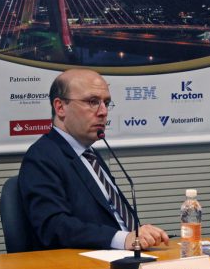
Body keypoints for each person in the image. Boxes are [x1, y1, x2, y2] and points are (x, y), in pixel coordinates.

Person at [18, 68, 170, 251]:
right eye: (92, 102)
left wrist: (142, 235)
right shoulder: (42, 157)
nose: (103, 112)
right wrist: (123, 239)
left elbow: (112, 217)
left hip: (129, 254)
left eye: (106, 103)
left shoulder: (90, 155)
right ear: (60, 107)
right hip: (84, 262)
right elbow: (54, 226)